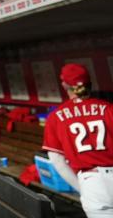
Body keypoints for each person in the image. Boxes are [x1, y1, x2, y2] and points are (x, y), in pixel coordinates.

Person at [42, 64, 113, 218]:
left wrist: (83, 188)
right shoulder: (109, 108)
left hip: (92, 182)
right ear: (90, 83)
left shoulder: (56, 117)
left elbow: (58, 161)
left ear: (64, 85)